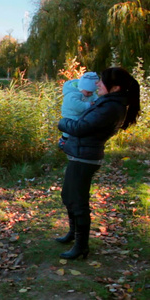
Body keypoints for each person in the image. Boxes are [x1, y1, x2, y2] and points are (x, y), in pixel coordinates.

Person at [57, 67, 141, 259]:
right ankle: (73, 234)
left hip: (85, 158)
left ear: (115, 87)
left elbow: (81, 127)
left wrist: (63, 123)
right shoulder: (109, 103)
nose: (97, 84)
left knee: (78, 201)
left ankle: (81, 246)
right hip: (81, 153)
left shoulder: (110, 107)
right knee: (68, 195)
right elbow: (86, 127)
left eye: (101, 82)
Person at [58, 72, 99, 149]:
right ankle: (63, 141)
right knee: (68, 130)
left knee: (79, 130)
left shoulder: (88, 92)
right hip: (71, 115)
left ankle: (76, 144)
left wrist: (97, 102)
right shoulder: (72, 94)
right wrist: (88, 105)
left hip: (81, 117)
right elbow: (76, 106)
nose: (90, 94)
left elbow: (95, 98)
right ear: (81, 87)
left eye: (92, 92)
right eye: (88, 92)